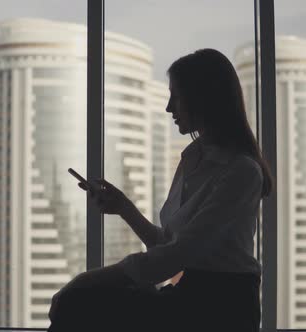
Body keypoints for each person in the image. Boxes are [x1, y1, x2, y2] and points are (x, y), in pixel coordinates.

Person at [47, 48, 274, 332]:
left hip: (223, 310)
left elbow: (179, 253)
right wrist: (124, 208)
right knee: (84, 301)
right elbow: (170, 246)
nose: (169, 108)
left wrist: (87, 279)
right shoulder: (192, 159)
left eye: (176, 97)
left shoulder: (242, 172)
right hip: (192, 297)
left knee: (80, 300)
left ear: (203, 98)